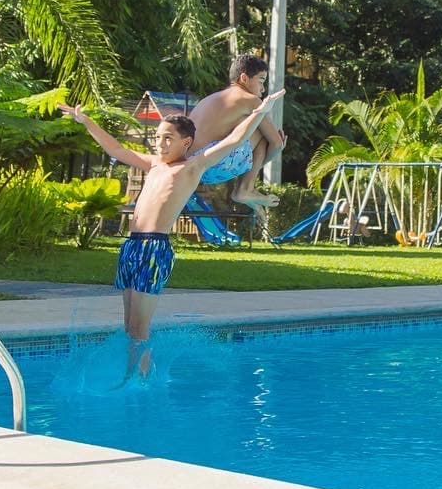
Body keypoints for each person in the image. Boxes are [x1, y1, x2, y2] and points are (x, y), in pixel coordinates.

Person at [59, 88, 284, 378]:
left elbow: (234, 140)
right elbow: (116, 150)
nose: (160, 144)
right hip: (131, 247)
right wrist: (86, 121)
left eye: (168, 138)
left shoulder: (191, 167)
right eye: (157, 137)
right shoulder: (154, 164)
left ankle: (139, 382)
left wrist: (260, 112)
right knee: (129, 327)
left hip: (154, 250)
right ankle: (140, 375)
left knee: (139, 329)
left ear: (186, 142)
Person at [187, 54, 286, 208]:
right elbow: (277, 143)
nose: (263, 89)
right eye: (261, 81)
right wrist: (277, 149)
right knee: (261, 130)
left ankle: (246, 190)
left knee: (247, 126)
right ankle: (245, 188)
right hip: (215, 166)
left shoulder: (209, 99)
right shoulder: (251, 100)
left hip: (193, 168)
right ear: (244, 78)